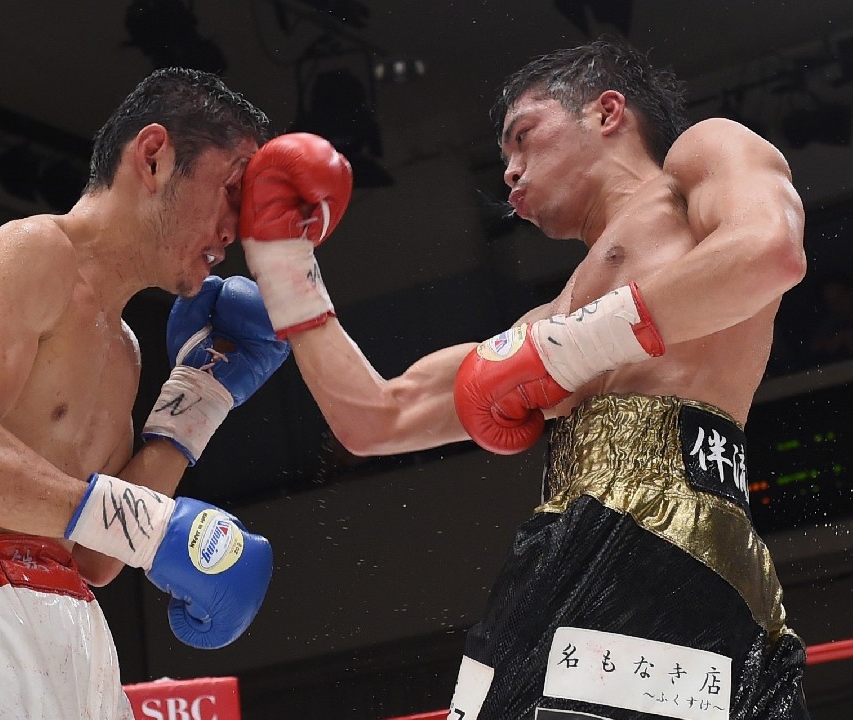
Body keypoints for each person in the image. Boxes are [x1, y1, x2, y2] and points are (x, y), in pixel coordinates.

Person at [236, 37, 809, 719]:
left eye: (523, 136)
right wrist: (280, 262)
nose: (509, 170)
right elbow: (377, 417)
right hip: (565, 550)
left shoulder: (701, 157)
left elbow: (768, 251)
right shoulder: (544, 323)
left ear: (607, 112)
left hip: (670, 540)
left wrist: (564, 350)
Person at [0, 68, 292, 719]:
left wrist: (196, 403)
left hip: (73, 638)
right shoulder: (29, 252)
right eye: (232, 191)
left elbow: (94, 557)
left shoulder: (125, 352)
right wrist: (152, 529)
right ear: (155, 156)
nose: (237, 226)